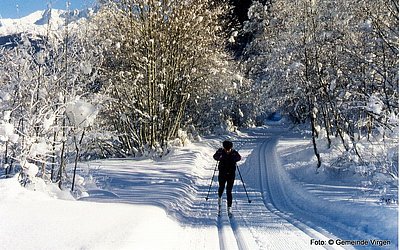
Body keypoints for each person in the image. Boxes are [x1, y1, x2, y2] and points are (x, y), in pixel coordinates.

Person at [213, 140, 241, 216]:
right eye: (226, 149)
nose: (227, 151)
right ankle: (219, 200)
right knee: (221, 187)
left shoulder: (234, 152)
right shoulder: (221, 151)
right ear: (224, 148)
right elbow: (215, 157)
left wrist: (234, 157)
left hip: (231, 174)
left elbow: (239, 158)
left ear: (231, 148)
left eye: (229, 149)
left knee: (229, 191)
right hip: (222, 173)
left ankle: (229, 208)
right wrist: (219, 154)